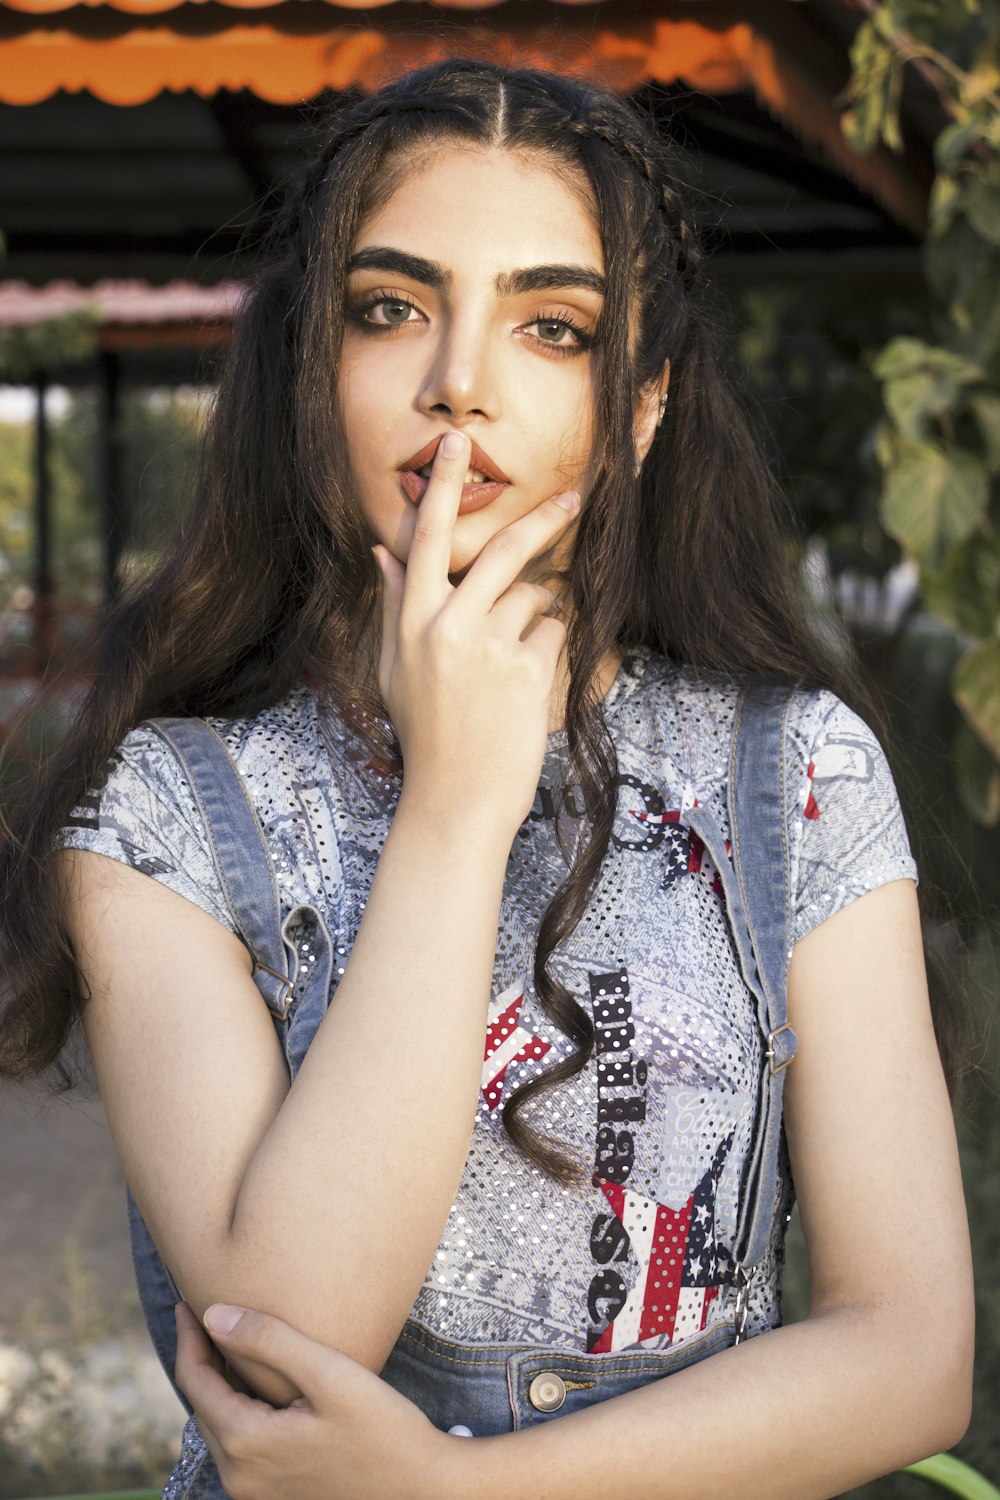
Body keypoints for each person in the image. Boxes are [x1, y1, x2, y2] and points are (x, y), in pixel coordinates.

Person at [0, 57, 974, 1500]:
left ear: (641, 404)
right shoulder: (165, 814)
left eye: (553, 327)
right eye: (390, 309)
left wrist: (459, 1492)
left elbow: (912, 1360)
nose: (461, 381)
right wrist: (456, 815)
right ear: (310, 374)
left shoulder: (797, 775)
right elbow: (287, 1340)